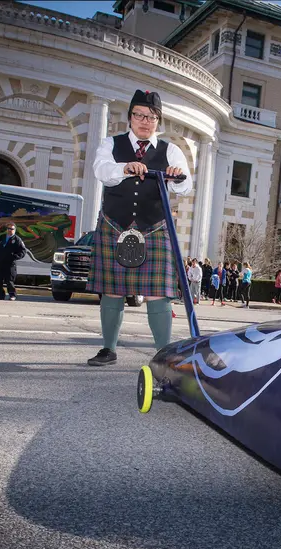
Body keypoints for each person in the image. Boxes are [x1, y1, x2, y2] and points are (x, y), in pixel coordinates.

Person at [86, 90, 193, 366]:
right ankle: (108, 349)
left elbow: (185, 185)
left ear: (158, 121)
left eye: (152, 117)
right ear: (130, 117)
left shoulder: (170, 150)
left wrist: (175, 177)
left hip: (154, 227)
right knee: (112, 289)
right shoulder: (111, 144)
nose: (145, 121)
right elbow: (101, 171)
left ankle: (163, 356)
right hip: (114, 224)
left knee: (158, 292)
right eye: (139, 115)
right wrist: (124, 168)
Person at [0, 223, 27, 301]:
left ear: (15, 230)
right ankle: (0, 295)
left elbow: (23, 251)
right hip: (0, 261)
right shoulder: (2, 237)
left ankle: (12, 295)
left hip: (10, 263)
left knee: (9, 280)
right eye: (8, 228)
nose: (9, 230)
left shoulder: (17, 239)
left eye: (12, 229)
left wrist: (15, 257)